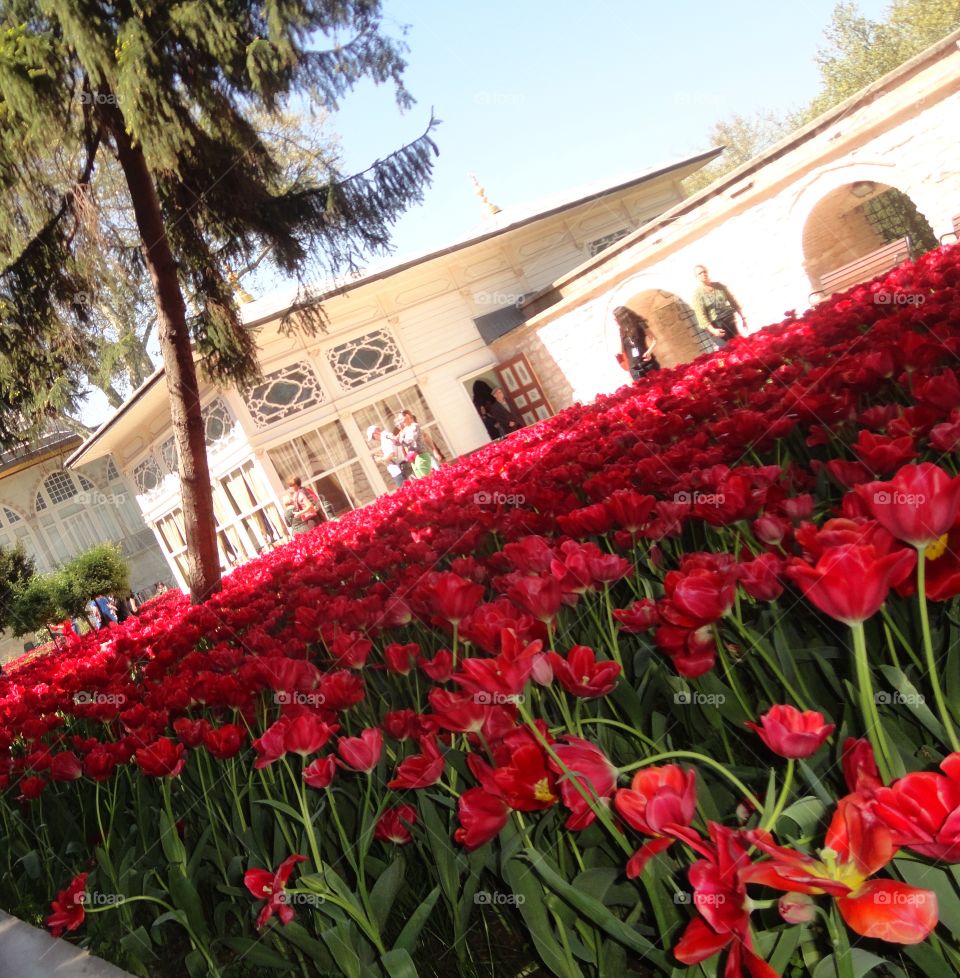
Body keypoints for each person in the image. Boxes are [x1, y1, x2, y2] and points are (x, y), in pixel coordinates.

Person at [692, 265, 746, 347]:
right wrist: (713, 330)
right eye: (700, 273)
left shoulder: (719, 286)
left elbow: (733, 301)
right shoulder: (697, 294)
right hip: (716, 326)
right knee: (727, 349)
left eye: (704, 272)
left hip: (729, 320)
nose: (703, 274)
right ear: (696, 277)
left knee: (739, 345)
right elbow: (701, 316)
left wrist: (742, 317)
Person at [613, 306, 660, 380]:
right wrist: (620, 335)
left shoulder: (640, 324)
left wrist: (649, 352)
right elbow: (621, 351)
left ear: (622, 316)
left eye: (616, 318)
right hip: (635, 369)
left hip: (647, 364)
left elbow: (654, 340)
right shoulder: (622, 331)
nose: (615, 320)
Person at [395, 410, 434, 478]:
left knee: (427, 479)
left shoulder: (415, 426)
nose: (400, 421)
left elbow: (409, 440)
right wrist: (396, 440)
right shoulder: (406, 429)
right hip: (413, 458)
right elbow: (399, 443)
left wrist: (401, 440)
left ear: (407, 415)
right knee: (422, 481)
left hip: (421, 456)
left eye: (401, 419)